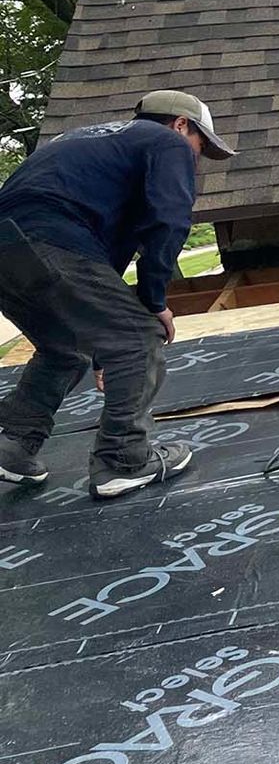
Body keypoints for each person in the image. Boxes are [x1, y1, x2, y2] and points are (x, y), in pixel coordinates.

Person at [0, 90, 235, 499]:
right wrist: (153, 302)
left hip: (10, 246)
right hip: (51, 238)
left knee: (65, 349)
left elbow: (97, 264)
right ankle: (123, 460)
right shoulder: (165, 142)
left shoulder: (84, 141)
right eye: (200, 145)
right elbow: (168, 220)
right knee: (140, 336)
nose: (196, 158)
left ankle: (14, 444)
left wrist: (108, 343)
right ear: (181, 125)